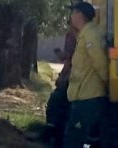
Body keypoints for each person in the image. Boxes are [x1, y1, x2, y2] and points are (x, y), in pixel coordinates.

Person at [63, 2, 108, 148]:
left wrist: (107, 82)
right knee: (84, 137)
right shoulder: (85, 34)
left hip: (88, 96)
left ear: (80, 15)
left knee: (73, 138)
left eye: (73, 12)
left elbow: (99, 62)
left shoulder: (90, 35)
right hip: (81, 94)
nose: (71, 16)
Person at [44, 17, 77, 147]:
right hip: (73, 77)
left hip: (70, 78)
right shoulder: (81, 34)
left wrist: (60, 54)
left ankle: (51, 134)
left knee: (55, 103)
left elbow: (69, 57)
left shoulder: (74, 35)